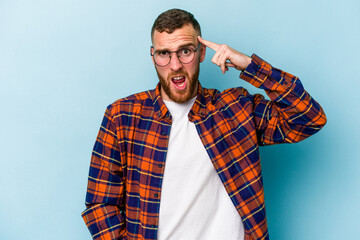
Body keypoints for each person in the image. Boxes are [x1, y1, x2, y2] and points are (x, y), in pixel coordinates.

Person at [81, 8, 327, 240]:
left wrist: (249, 66)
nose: (175, 64)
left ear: (201, 53)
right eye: (164, 53)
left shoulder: (235, 108)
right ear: (153, 56)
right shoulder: (123, 116)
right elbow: (101, 203)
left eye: (185, 51)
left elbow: (309, 118)